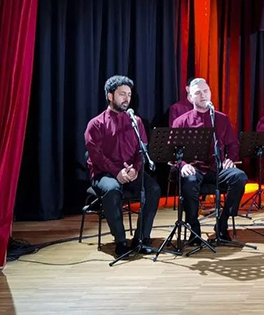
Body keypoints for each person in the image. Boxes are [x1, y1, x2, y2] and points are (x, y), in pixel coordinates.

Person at [85, 75, 160, 256]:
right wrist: (117, 172)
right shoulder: (96, 124)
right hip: (104, 173)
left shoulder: (136, 121)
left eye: (129, 94)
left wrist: (135, 169)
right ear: (110, 96)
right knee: (112, 190)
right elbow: (96, 156)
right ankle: (120, 241)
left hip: (130, 171)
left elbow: (142, 150)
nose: (127, 98)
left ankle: (142, 239)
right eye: (122, 94)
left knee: (153, 189)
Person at [172, 78, 247, 243]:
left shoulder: (222, 119)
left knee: (239, 177)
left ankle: (223, 221)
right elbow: (173, 153)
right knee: (189, 182)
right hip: (194, 169)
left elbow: (233, 145)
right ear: (190, 97)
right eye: (198, 93)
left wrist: (230, 159)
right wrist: (182, 165)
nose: (203, 95)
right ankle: (194, 228)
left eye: (205, 91)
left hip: (216, 168)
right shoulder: (181, 122)